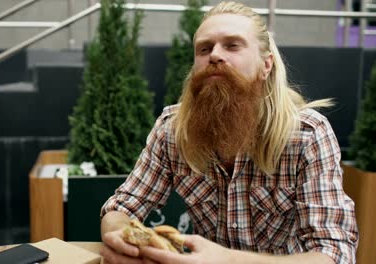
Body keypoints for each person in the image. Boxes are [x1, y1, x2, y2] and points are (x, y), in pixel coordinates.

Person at [99, 1, 358, 264]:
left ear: (265, 65)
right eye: (204, 48)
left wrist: (227, 260)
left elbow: (334, 253)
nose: (215, 55)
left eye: (233, 45)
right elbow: (121, 208)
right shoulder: (173, 129)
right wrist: (120, 237)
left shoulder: (307, 134)